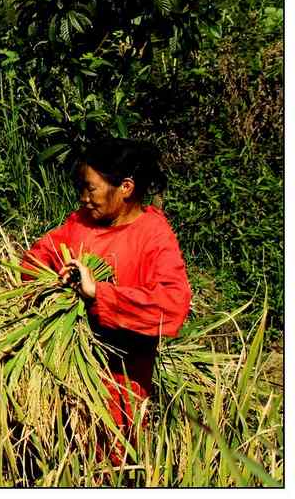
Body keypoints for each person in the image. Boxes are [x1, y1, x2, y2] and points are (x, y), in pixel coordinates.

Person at [21, 138, 191, 462]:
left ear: (125, 187)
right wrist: (51, 284)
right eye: (81, 189)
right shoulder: (81, 223)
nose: (83, 199)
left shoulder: (154, 235)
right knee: (63, 459)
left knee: (111, 465)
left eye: (91, 189)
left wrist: (100, 293)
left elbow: (172, 306)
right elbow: (38, 257)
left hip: (120, 384)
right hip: (66, 374)